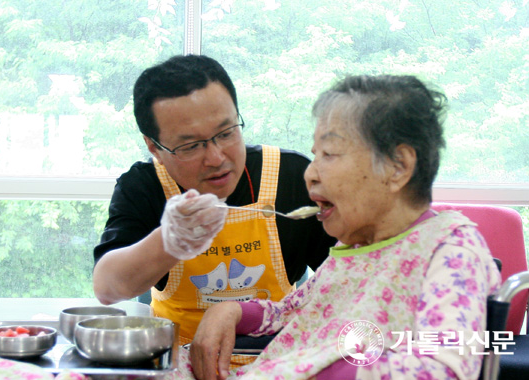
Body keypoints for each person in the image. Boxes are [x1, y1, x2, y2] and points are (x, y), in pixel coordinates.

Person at [171, 74, 502, 380]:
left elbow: (443, 367)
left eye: (328, 154)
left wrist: (315, 370)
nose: (309, 174)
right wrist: (233, 311)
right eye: (315, 155)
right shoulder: (353, 251)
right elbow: (293, 312)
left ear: (398, 167)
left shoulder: (451, 250)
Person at [92, 55, 337, 348]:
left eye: (226, 133)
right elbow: (107, 288)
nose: (216, 158)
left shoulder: (292, 176)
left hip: (276, 358)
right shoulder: (144, 186)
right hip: (180, 361)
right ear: (154, 147)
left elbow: (347, 280)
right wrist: (170, 241)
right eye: (191, 146)